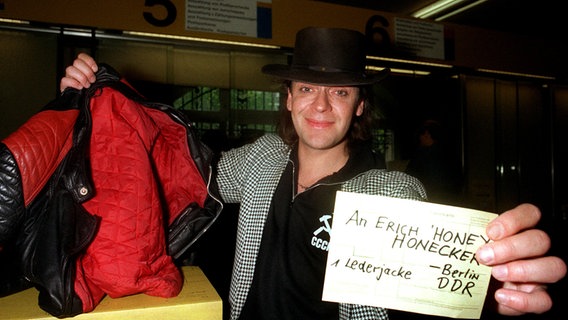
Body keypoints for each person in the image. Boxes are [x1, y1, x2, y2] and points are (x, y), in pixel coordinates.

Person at [60, 27, 566, 319]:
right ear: (289, 96)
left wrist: (493, 287)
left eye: (340, 92)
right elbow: (173, 170)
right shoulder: (260, 160)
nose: (320, 104)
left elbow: (442, 282)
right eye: (306, 88)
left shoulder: (392, 194)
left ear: (361, 106)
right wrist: (102, 102)